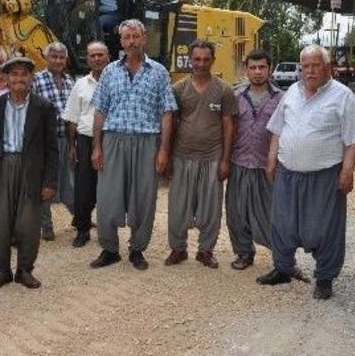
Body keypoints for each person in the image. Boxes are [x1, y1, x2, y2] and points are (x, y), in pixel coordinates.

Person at [258, 44, 355, 300]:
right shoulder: (292, 91)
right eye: (305, 66)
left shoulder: (342, 95)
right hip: (288, 173)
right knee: (282, 223)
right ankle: (283, 268)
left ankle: (325, 278)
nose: (309, 71)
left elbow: (353, 139)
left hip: (324, 175)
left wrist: (347, 170)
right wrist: (272, 158)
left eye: (315, 65)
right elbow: (277, 129)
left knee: (324, 229)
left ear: (328, 67)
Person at [89, 19, 178, 270]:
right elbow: (100, 111)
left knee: (144, 199)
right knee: (107, 198)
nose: (131, 42)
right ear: (121, 41)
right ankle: (109, 249)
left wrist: (163, 150)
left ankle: (137, 249)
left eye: (135, 37)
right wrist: (97, 146)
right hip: (114, 140)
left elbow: (167, 113)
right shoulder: (109, 71)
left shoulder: (159, 71)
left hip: (146, 142)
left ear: (144, 38)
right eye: (126, 37)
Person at [0, 57, 59, 290]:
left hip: (31, 169)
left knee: (28, 223)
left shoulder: (43, 107)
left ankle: (25, 270)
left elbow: (51, 148)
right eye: (14, 74)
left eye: (23, 74)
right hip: (2, 167)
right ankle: (2, 271)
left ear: (31, 78)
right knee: (1, 222)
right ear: (6, 79)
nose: (19, 79)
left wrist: (49, 181)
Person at [164, 40, 237, 269]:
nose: (201, 63)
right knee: (178, 206)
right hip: (182, 155)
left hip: (212, 156)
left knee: (210, 207)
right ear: (190, 60)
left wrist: (225, 159)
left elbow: (228, 125)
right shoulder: (178, 89)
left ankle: (205, 251)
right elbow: (171, 123)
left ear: (213, 60)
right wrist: (165, 153)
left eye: (206, 59)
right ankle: (178, 248)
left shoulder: (224, 90)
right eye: (197, 59)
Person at [225, 50, 283, 271]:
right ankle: (244, 253)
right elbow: (228, 130)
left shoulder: (282, 99)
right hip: (239, 162)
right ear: (246, 69)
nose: (257, 72)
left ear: (269, 69)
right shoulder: (236, 97)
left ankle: (282, 258)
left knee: (271, 213)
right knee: (236, 212)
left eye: (262, 67)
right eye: (253, 67)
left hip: (267, 167)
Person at [62, 41, 110, 248]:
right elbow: (72, 117)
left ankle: (108, 230)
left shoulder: (117, 80)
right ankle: (82, 229)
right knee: (84, 187)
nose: (97, 59)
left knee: (109, 187)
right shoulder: (80, 84)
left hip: (111, 140)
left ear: (108, 56)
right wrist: (72, 146)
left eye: (100, 55)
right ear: (87, 58)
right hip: (85, 140)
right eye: (93, 55)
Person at [32, 42, 75, 241]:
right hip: (44, 142)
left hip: (66, 139)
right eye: (54, 57)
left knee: (69, 182)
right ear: (47, 59)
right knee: (46, 182)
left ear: (65, 60)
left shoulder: (70, 81)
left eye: (61, 57)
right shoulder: (36, 80)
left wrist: (72, 143)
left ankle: (79, 217)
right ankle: (45, 226)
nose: (58, 61)